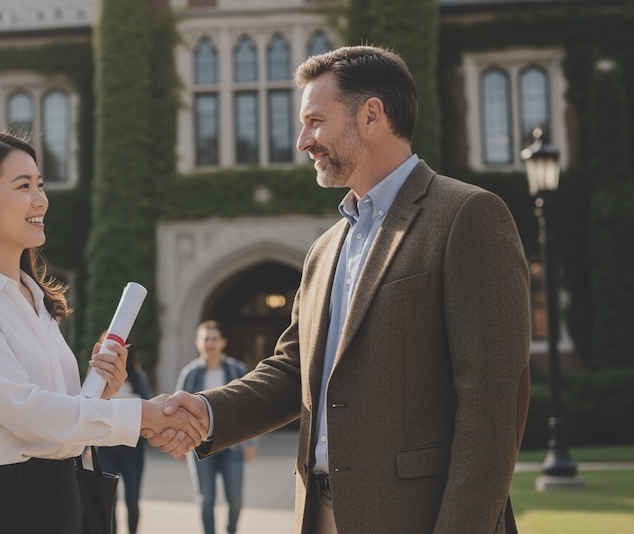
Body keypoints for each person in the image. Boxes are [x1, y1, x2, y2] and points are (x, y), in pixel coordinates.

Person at [149, 46, 531, 534]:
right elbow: (294, 371)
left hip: (415, 518)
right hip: (320, 514)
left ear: (371, 115)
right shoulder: (326, 248)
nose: (302, 141)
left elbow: (492, 407)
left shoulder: (466, 216)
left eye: (315, 122)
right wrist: (206, 411)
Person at [0, 130, 204, 533]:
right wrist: (142, 414)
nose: (41, 199)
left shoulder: (35, 299)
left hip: (63, 501)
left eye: (40, 184)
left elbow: (57, 427)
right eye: (23, 186)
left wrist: (101, 391)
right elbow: (27, 415)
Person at [176, 321, 257, 534]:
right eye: (206, 339)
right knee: (206, 500)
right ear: (198, 342)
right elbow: (178, 412)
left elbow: (249, 407)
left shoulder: (236, 369)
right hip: (199, 446)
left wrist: (250, 442)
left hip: (233, 445)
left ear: (223, 342)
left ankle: (231, 530)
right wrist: (180, 443)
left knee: (236, 500)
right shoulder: (190, 373)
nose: (210, 344)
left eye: (214, 339)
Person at [95, 340, 151, 534]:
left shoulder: (138, 377)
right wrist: (86, 447)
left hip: (132, 449)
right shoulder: (98, 378)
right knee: (109, 501)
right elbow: (89, 408)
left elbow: (148, 407)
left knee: (132, 501)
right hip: (106, 448)